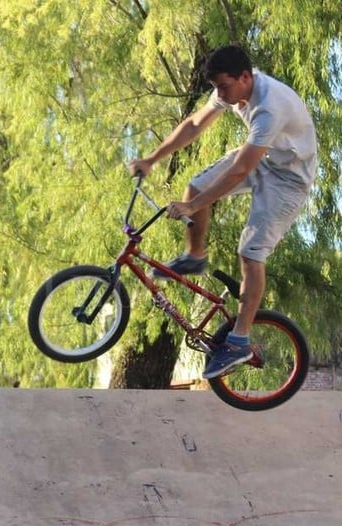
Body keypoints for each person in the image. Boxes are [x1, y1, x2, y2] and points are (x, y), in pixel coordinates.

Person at [128, 45, 317, 379]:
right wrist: (151, 159)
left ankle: (239, 341)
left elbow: (241, 169)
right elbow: (194, 124)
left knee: (250, 253)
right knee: (196, 186)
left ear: (245, 77)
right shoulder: (231, 89)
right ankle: (195, 256)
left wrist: (192, 208)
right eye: (216, 87)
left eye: (224, 86)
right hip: (267, 159)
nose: (220, 94)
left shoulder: (269, 107)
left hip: (289, 180)